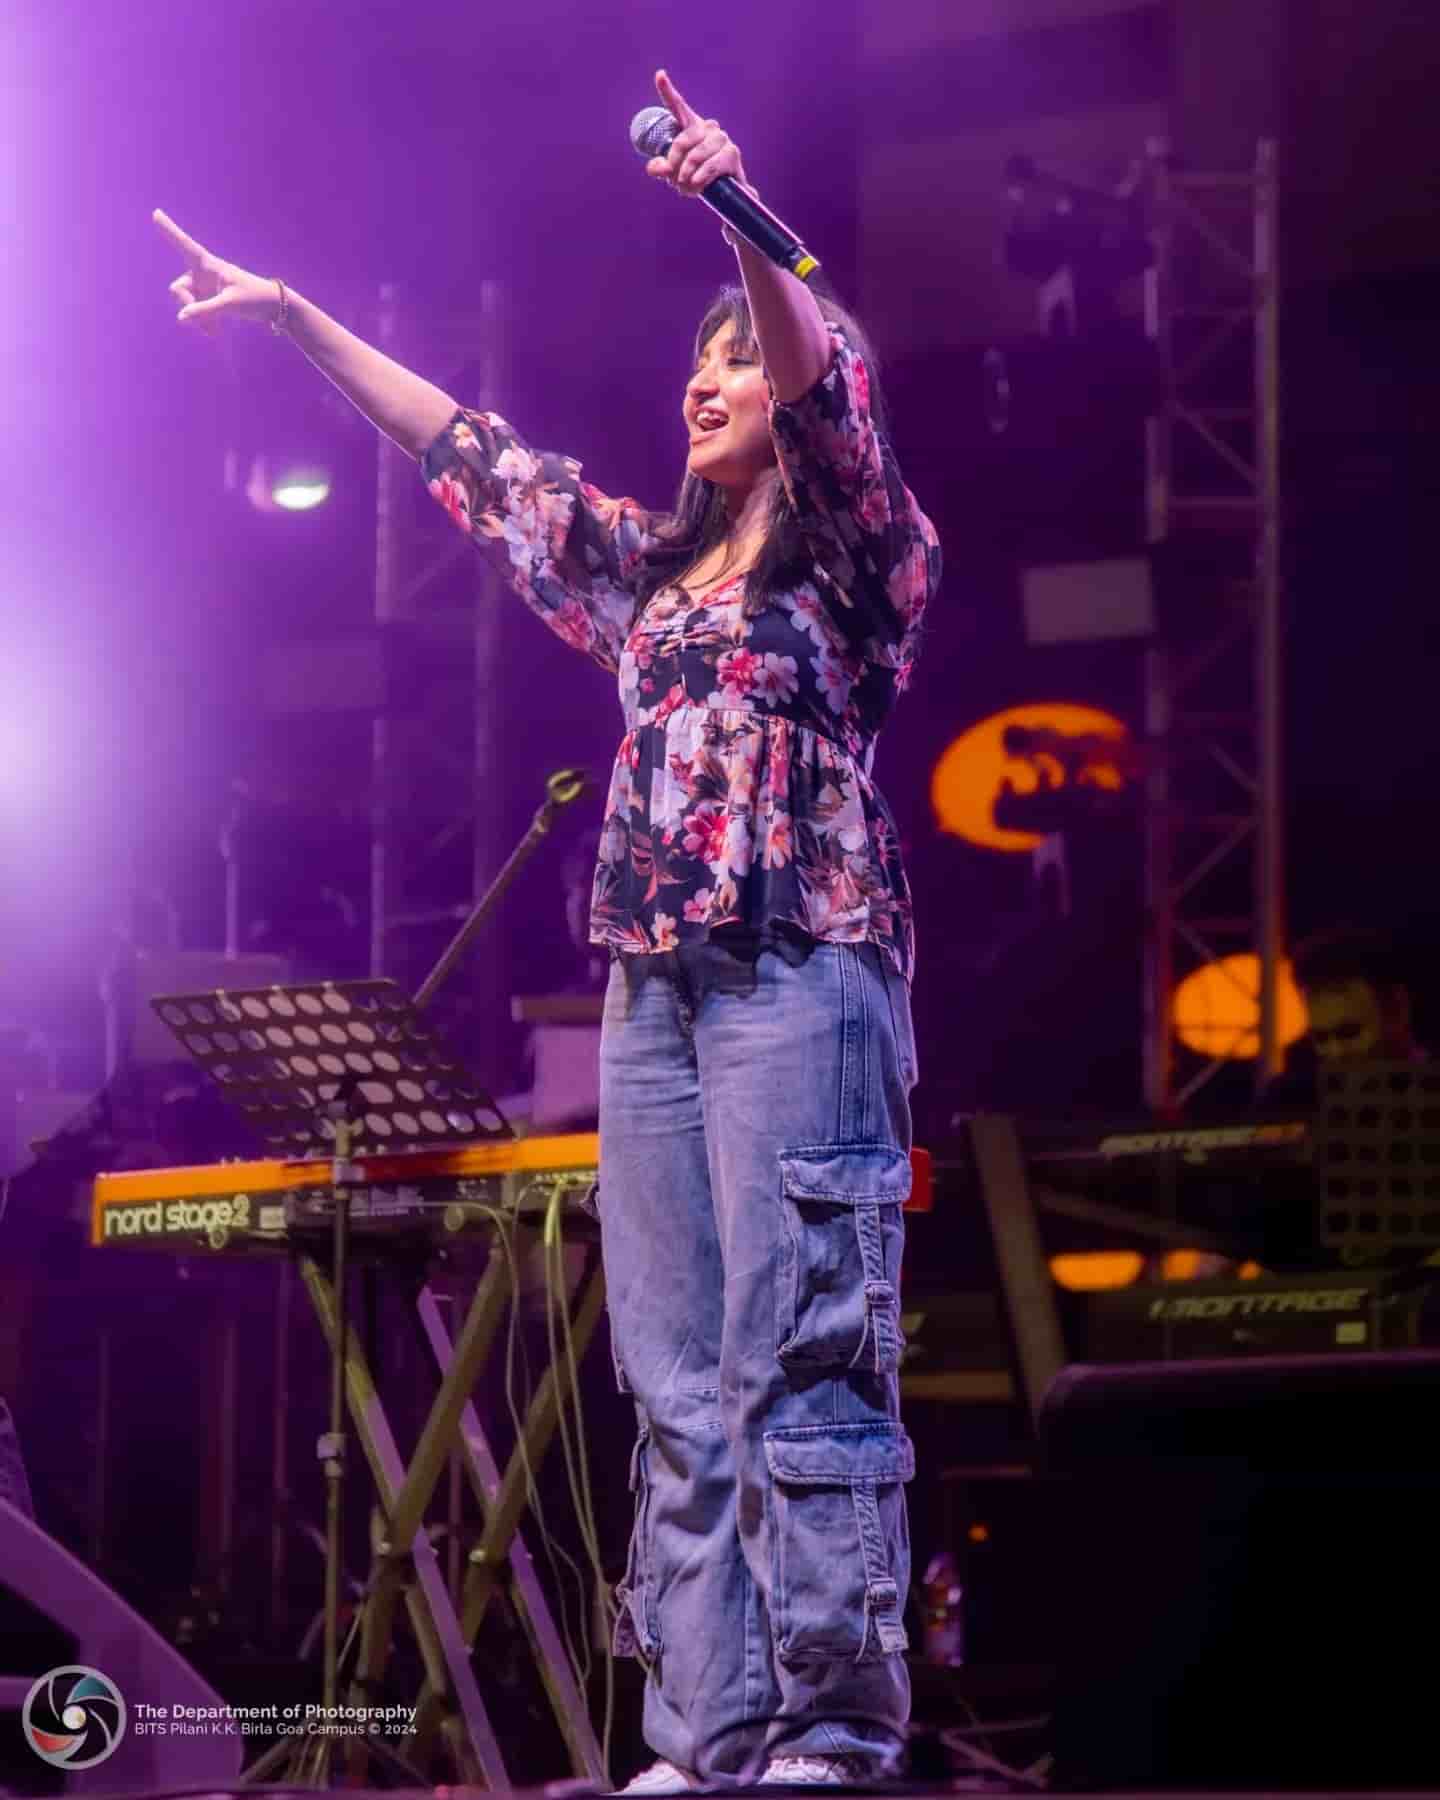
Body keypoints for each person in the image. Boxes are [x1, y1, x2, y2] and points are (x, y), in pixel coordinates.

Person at [156, 68, 939, 1791]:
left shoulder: (863, 567)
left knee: (800, 1352)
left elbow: (823, 394)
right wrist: (294, 319)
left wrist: (739, 219)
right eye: (702, 363)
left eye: (736, 358)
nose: (706, 378)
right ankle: (708, 1730)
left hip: (801, 970)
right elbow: (468, 454)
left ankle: (833, 1725)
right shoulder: (647, 587)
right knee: (671, 1375)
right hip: (655, 992)